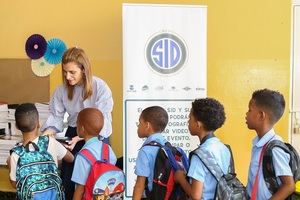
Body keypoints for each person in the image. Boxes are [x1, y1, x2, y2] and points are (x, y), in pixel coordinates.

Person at [41, 47, 113, 199]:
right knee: (69, 182)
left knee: (98, 182)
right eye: (65, 72)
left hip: (97, 137)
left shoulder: (100, 87)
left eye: (72, 72)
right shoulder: (61, 91)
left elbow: (103, 122)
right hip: (74, 133)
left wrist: (81, 137)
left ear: (84, 69)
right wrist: (45, 136)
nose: (67, 76)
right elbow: (56, 117)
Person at [8, 103, 74, 195]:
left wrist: (10, 164)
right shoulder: (50, 142)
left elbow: (15, 184)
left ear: (17, 126)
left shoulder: (16, 154)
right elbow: (71, 158)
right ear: (38, 123)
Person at [174, 98, 231, 200]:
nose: (188, 121)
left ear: (198, 124)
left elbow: (196, 196)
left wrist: (180, 178)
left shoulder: (199, 155)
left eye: (190, 118)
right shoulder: (224, 148)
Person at [245, 89, 294, 199]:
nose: (246, 114)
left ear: (261, 115)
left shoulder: (274, 148)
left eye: (250, 110)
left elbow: (289, 186)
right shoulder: (259, 144)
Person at [71, 108, 117, 200]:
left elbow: (80, 189)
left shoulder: (82, 155)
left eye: (77, 123)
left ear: (82, 128)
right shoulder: (107, 148)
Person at [132, 106, 169, 200]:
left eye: (140, 123)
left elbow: (140, 185)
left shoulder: (146, 150)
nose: (138, 126)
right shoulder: (167, 145)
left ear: (147, 125)